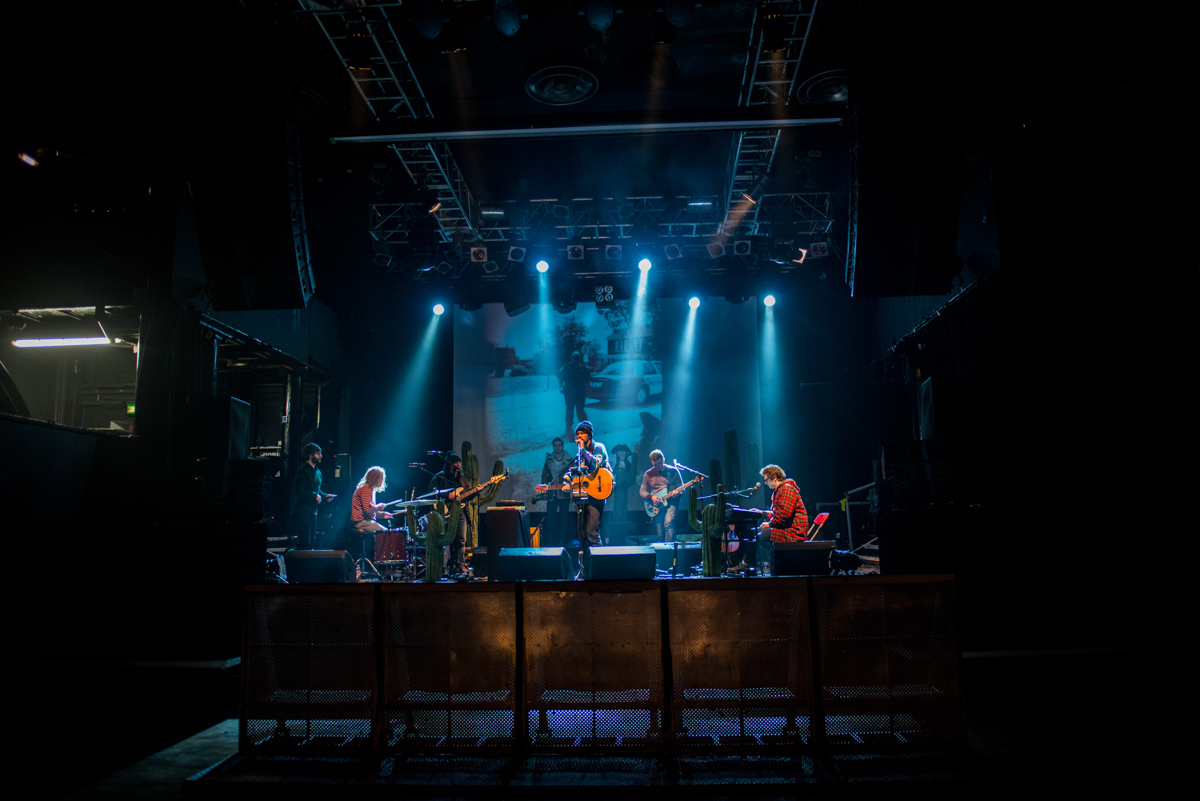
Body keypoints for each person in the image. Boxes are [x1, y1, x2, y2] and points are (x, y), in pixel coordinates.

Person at [743, 464, 809, 574]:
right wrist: (762, 513)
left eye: (766, 480)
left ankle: (749, 565)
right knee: (755, 534)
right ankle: (762, 563)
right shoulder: (781, 490)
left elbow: (784, 514)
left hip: (792, 532)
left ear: (774, 477)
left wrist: (769, 524)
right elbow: (777, 513)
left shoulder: (787, 489)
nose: (765, 482)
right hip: (786, 529)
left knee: (758, 536)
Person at [570, 420, 609, 573]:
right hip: (584, 495)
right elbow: (575, 471)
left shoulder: (599, 448)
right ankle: (586, 569)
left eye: (582, 433)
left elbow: (594, 466)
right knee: (583, 536)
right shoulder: (579, 454)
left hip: (598, 494)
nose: (578, 436)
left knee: (592, 533)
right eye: (577, 434)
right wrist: (567, 481)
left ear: (589, 435)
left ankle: (600, 569)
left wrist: (582, 450)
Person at [427, 452, 471, 578]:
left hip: (460, 511)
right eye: (454, 464)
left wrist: (475, 491)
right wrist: (447, 495)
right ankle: (445, 565)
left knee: (461, 539)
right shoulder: (440, 476)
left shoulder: (462, 478)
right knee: (447, 540)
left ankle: (461, 564)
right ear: (449, 464)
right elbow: (431, 491)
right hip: (445, 513)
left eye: (458, 464)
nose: (457, 466)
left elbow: (466, 493)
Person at [289, 443, 333, 550]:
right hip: (302, 510)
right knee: (304, 542)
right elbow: (298, 490)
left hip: (313, 511)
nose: (321, 456)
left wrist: (325, 495)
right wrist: (315, 496)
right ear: (310, 455)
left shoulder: (318, 472)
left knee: (312, 541)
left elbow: (317, 490)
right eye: (318, 454)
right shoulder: (302, 471)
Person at [639, 449, 683, 542]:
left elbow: (681, 487)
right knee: (660, 531)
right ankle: (662, 554)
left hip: (672, 502)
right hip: (657, 505)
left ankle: (670, 552)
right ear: (652, 462)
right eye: (655, 464)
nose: (657, 466)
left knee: (669, 523)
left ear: (663, 460)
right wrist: (651, 497)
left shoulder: (673, 471)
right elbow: (642, 491)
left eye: (659, 463)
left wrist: (678, 492)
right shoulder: (648, 473)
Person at [540, 437, 572, 549]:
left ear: (562, 446)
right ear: (553, 447)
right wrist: (544, 491)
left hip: (564, 493)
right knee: (551, 518)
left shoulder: (569, 459)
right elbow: (544, 476)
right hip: (552, 493)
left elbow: (574, 474)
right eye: (555, 445)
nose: (557, 447)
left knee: (564, 518)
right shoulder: (549, 459)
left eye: (559, 445)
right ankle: (551, 543)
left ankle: (561, 542)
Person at [558, 351, 591, 435]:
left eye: (577, 357)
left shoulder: (582, 368)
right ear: (571, 357)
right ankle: (568, 430)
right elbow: (560, 377)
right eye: (574, 357)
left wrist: (588, 389)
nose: (576, 359)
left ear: (579, 358)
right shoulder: (566, 367)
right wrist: (561, 387)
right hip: (569, 393)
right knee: (569, 411)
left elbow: (587, 380)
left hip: (580, 393)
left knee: (580, 411)